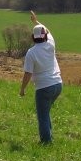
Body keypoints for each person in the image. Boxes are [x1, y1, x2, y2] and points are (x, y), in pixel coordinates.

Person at [19, 11, 63, 143]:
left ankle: (46, 143)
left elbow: (28, 73)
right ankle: (49, 136)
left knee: (42, 115)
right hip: (58, 85)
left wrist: (22, 89)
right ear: (44, 36)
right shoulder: (50, 44)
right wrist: (35, 21)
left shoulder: (31, 53)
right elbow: (48, 31)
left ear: (33, 37)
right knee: (46, 112)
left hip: (44, 88)